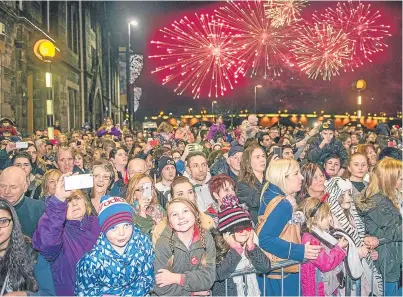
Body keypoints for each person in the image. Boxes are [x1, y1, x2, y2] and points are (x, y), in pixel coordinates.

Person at [258, 159, 321, 296]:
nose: (302, 177)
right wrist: (300, 250)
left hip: (274, 272)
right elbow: (265, 239)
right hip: (283, 274)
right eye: (296, 173)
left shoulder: (269, 195)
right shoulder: (283, 204)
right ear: (283, 177)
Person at [75, 195, 155, 296]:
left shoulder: (143, 244)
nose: (121, 233)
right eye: (113, 228)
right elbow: (83, 292)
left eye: (126, 225)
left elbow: (150, 278)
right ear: (104, 229)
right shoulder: (91, 262)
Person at [33, 176, 100, 296]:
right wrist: (58, 200)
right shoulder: (58, 231)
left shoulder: (97, 223)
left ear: (85, 202)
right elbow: (46, 245)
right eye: (68, 201)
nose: (74, 203)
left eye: (77, 198)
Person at [325, 177, 383, 296]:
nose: (348, 198)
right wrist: (357, 252)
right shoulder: (329, 219)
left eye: (349, 193)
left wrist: (368, 251)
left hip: (359, 273)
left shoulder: (352, 217)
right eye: (342, 194)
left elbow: (358, 240)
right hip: (342, 277)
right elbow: (331, 248)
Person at [358, 158, 402, 296]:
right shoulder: (378, 202)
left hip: (392, 259)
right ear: (389, 180)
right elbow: (394, 231)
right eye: (400, 178)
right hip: (385, 262)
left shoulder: (391, 197)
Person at [153, 198, 216, 296]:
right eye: (174, 214)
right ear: (169, 222)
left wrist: (177, 278)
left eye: (185, 211)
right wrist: (193, 292)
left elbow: (209, 278)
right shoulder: (163, 244)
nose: (181, 217)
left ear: (195, 213)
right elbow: (161, 288)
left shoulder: (206, 237)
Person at [211, 205, 271, 296]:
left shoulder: (249, 246)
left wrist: (251, 246)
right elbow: (220, 273)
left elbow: (265, 267)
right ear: (228, 233)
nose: (245, 232)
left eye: (247, 228)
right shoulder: (218, 248)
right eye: (239, 230)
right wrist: (236, 250)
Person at [0, 199, 55, 296]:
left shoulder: (33, 253)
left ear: (14, 223)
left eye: (3, 221)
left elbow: (49, 294)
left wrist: (24, 295)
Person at [299, 197, 348, 296]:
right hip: (317, 290)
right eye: (326, 215)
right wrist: (339, 248)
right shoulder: (310, 239)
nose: (330, 218)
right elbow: (325, 263)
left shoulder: (320, 235)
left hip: (325, 288)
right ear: (315, 218)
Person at [0, 166, 44, 237]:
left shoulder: (39, 209)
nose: (7, 191)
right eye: (2, 186)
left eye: (13, 187)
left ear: (25, 187)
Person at [237, 145, 267, 224]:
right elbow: (257, 201)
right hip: (256, 226)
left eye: (263, 156)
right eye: (257, 157)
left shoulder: (270, 178)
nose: (262, 160)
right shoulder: (242, 184)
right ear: (248, 162)